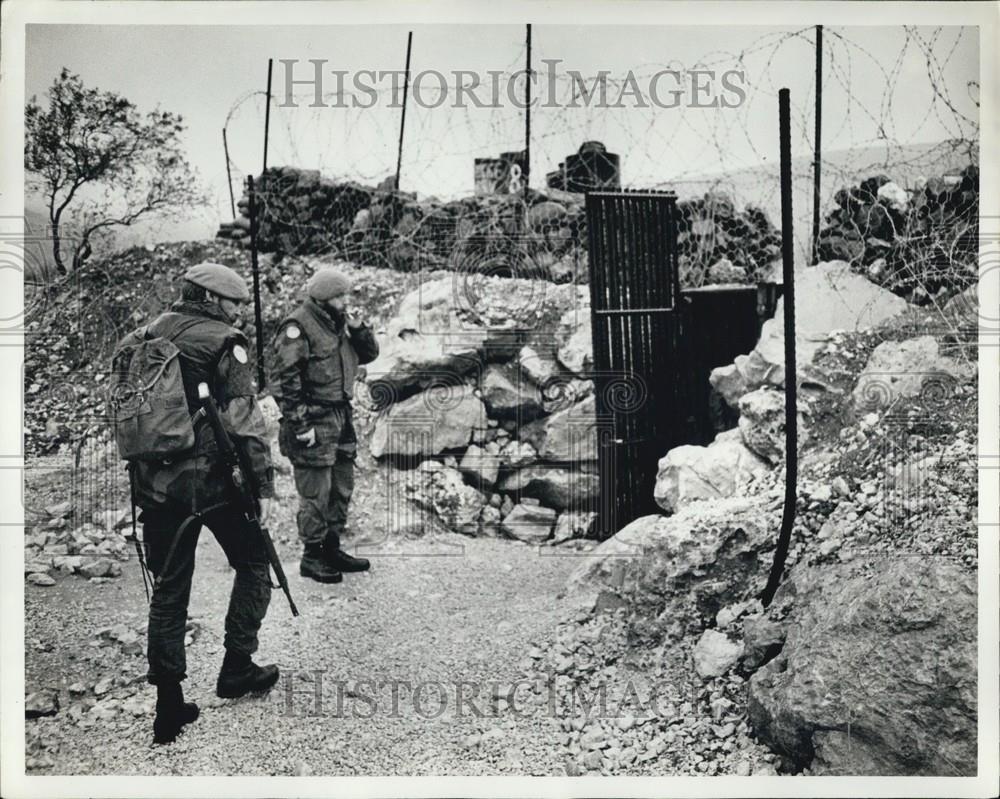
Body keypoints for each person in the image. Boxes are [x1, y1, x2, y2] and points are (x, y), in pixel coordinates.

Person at [125, 262, 279, 744]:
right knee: (255, 564)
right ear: (212, 300)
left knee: (169, 591)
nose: (238, 312)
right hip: (215, 484)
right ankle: (237, 667)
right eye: (234, 303)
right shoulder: (224, 340)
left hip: (155, 484)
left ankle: (168, 707)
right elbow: (244, 419)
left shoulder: (142, 335)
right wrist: (264, 484)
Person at [271, 267, 379, 584]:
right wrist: (301, 424)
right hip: (313, 419)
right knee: (315, 493)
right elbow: (285, 381)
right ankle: (312, 557)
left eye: (346, 295)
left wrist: (360, 330)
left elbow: (370, 355)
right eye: (340, 296)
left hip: (341, 416)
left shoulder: (340, 323)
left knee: (341, 486)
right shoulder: (298, 326)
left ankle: (331, 549)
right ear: (324, 298)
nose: (346, 301)